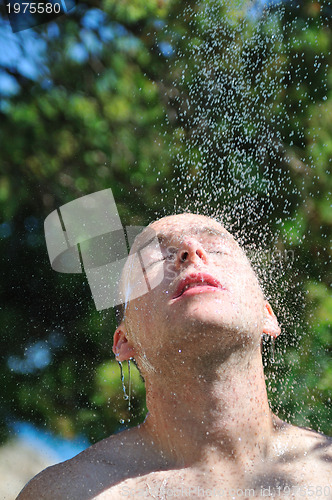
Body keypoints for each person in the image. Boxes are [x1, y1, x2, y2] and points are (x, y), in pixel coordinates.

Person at [17, 213, 331, 499]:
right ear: (124, 341)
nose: (191, 250)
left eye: (217, 247)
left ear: (267, 316)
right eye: (154, 259)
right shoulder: (67, 492)